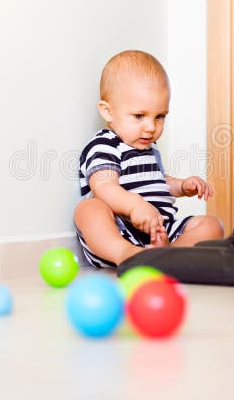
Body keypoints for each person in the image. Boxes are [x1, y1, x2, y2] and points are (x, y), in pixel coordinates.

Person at [74, 50, 224, 267]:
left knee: (213, 225)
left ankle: (169, 254)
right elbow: (103, 187)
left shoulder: (149, 147)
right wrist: (134, 206)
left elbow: (158, 183)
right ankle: (126, 253)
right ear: (107, 112)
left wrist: (181, 186)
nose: (151, 127)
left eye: (160, 116)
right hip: (121, 230)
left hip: (161, 230)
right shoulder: (105, 144)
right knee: (88, 210)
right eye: (139, 116)